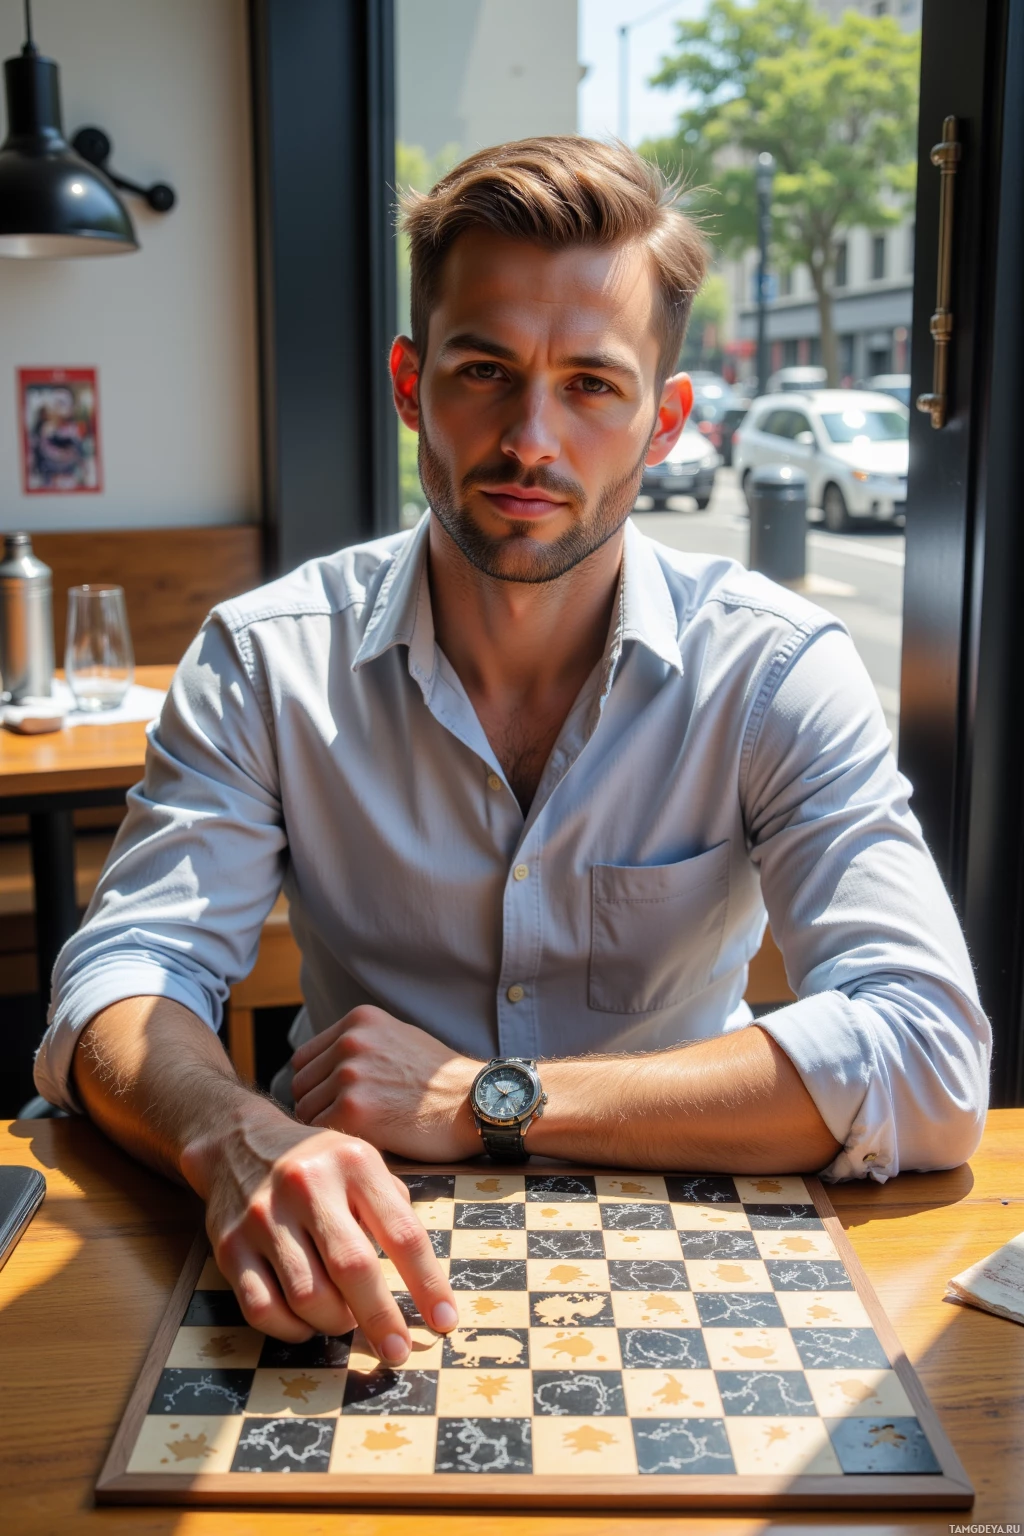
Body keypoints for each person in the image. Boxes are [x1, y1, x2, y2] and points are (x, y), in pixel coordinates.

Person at [34, 138, 989, 1366]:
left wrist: (489, 1103)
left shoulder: (771, 670)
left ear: (665, 421)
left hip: (694, 1275)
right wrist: (231, 1129)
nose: (530, 439)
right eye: (484, 369)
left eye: (592, 384)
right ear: (410, 383)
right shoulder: (266, 660)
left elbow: (927, 1054)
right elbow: (123, 977)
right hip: (345, 1262)